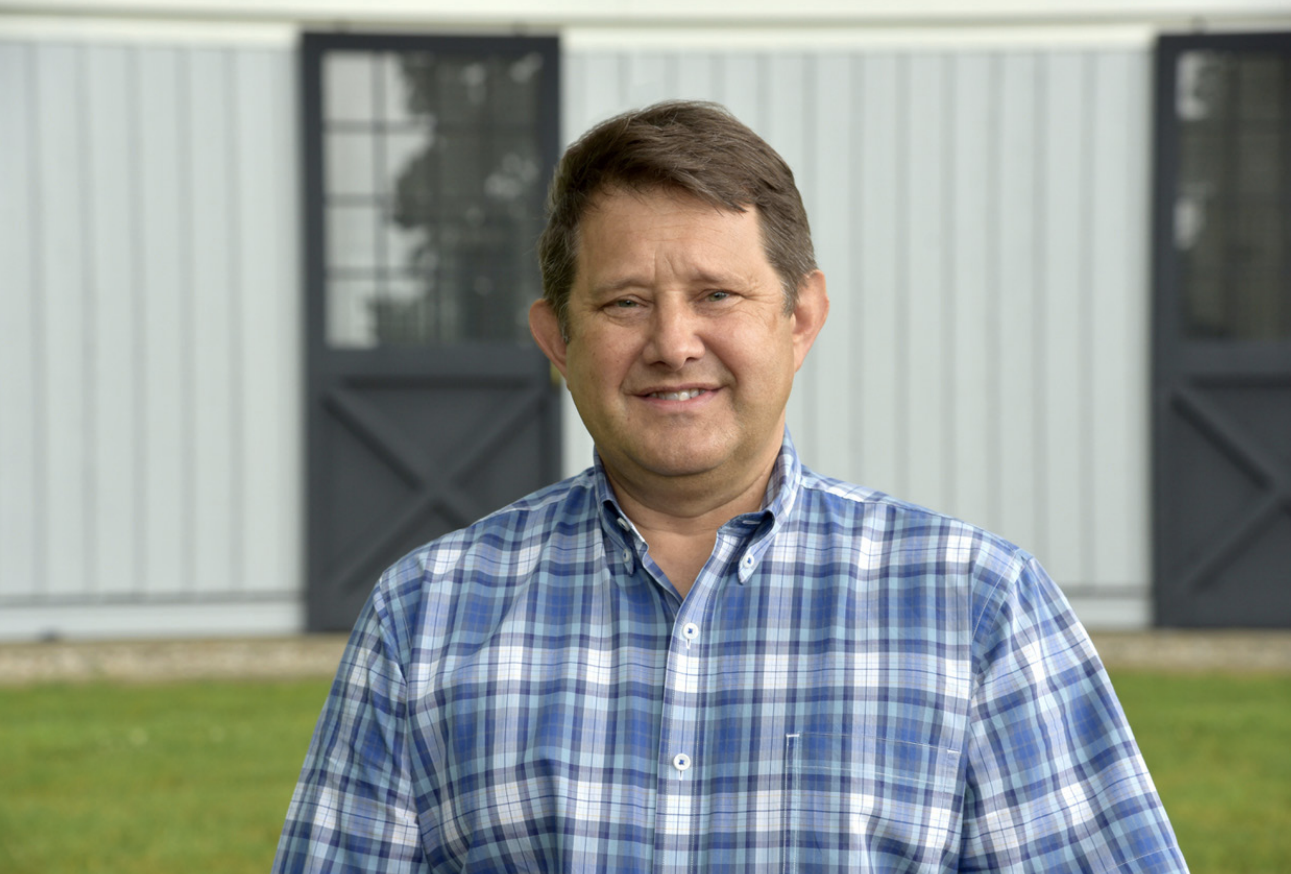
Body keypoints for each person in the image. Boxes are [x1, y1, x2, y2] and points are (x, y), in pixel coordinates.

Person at [273, 101, 1187, 872]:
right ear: (558, 340)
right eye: (625, 301)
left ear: (802, 319)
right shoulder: (428, 617)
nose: (673, 343)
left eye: (717, 295)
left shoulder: (977, 607)